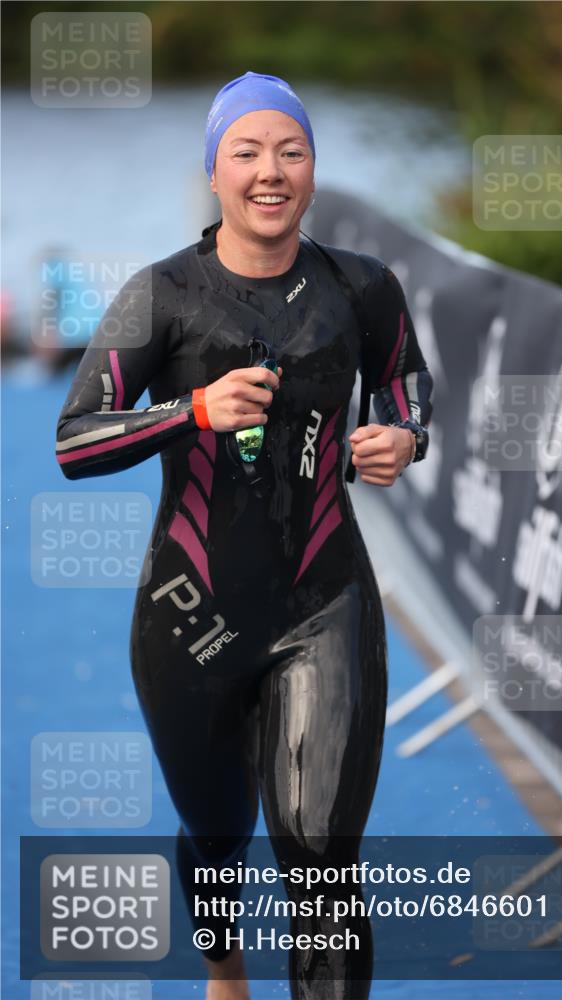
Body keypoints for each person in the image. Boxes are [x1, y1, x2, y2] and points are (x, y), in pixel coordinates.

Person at [55, 71, 434, 1000]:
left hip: (325, 602)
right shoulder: (162, 295)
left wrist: (402, 437)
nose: (271, 173)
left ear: (312, 170)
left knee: (320, 859)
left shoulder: (363, 286)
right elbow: (74, 441)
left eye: (291, 152)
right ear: (215, 173)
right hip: (191, 616)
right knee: (218, 836)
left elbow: (405, 385)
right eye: (248, 153)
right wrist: (192, 410)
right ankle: (224, 968)